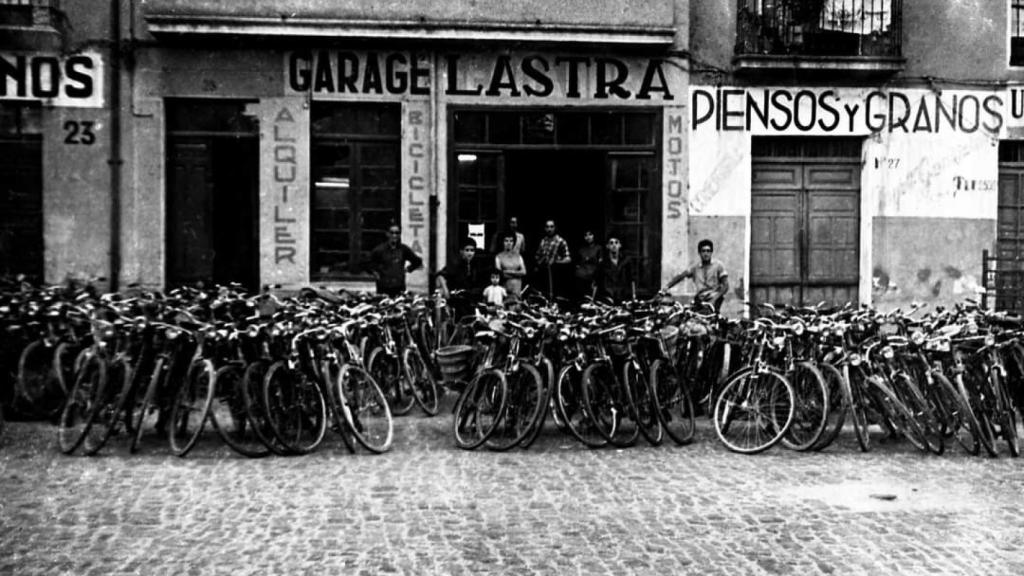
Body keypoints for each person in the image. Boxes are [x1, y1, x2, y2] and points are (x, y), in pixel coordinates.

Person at [664, 238, 729, 312]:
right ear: (699, 253)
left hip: (714, 299)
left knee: (709, 319)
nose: (706, 254)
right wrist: (666, 288)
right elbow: (681, 276)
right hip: (700, 299)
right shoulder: (695, 268)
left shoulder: (718, 266)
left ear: (711, 252)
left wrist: (714, 299)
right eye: (703, 251)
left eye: (708, 251)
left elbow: (726, 286)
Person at [367, 224, 423, 296]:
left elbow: (417, 261)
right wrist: (375, 273)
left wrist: (408, 269)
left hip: (399, 287)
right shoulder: (379, 250)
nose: (394, 235)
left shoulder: (403, 249)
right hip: (383, 287)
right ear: (387, 234)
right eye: (392, 233)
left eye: (397, 233)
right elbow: (367, 263)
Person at [534, 219, 571, 300]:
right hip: (544, 273)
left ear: (555, 228)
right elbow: (537, 256)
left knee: (556, 297)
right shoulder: (543, 241)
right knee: (543, 296)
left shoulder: (561, 241)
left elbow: (568, 259)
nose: (549, 229)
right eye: (547, 227)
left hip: (557, 273)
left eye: (551, 227)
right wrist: (540, 261)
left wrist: (556, 262)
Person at [597, 235, 635, 303]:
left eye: (616, 242)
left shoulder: (626, 261)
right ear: (607, 246)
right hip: (608, 297)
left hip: (623, 296)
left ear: (620, 245)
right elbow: (598, 281)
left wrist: (633, 295)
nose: (614, 245)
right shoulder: (603, 263)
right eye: (611, 243)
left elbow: (631, 279)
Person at [494, 233, 527, 300]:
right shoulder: (498, 257)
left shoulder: (518, 256)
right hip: (505, 288)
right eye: (506, 241)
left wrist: (508, 271)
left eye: (511, 241)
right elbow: (500, 274)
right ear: (502, 242)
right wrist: (517, 273)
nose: (509, 243)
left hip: (517, 289)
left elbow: (524, 272)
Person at [574, 230, 603, 302]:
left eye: (590, 234)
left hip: (593, 277)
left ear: (594, 236)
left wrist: (595, 278)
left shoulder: (598, 248)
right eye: (586, 235)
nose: (588, 237)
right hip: (581, 278)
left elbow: (600, 263)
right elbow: (577, 263)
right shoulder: (581, 249)